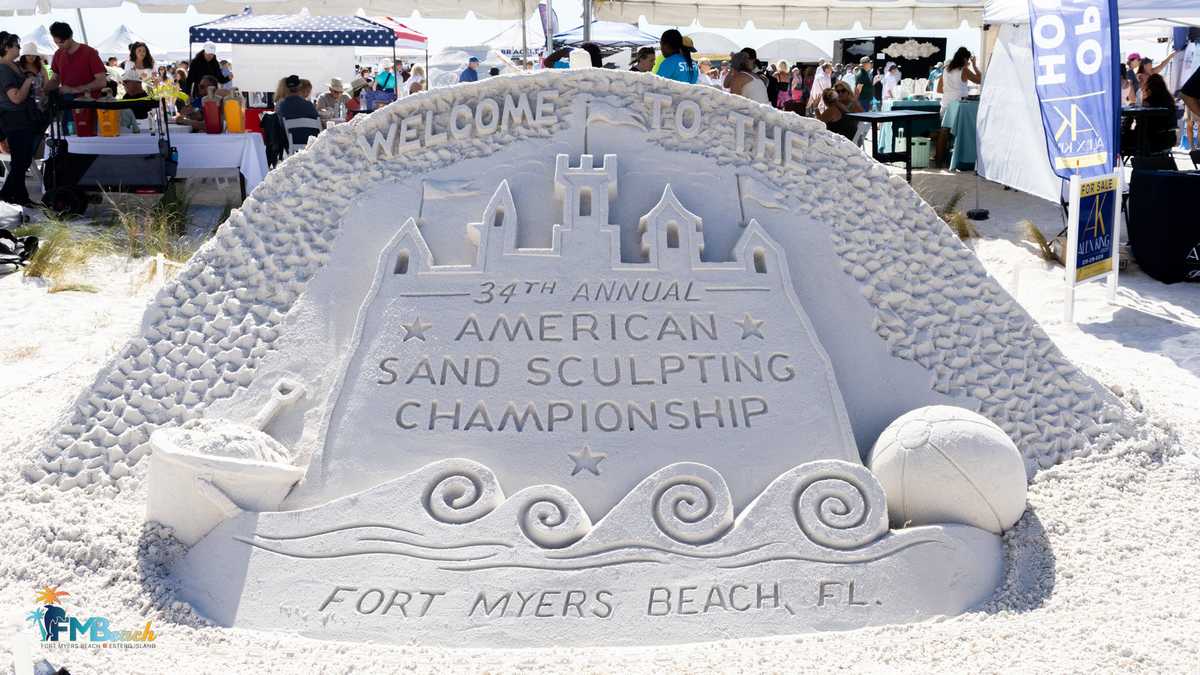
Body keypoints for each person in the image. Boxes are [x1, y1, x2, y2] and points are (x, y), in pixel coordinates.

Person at [0, 31, 45, 208]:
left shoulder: (13, 65)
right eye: (17, 45)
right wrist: (28, 80)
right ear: (6, 47)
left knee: (23, 159)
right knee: (21, 159)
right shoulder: (3, 69)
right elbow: (16, 98)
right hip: (14, 118)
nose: (19, 48)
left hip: (23, 117)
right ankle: (16, 196)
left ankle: (10, 194)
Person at [935, 47, 982, 164]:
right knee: (960, 133)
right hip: (959, 106)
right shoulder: (964, 70)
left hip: (946, 104)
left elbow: (939, 89)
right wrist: (974, 65)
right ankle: (959, 161)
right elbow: (980, 80)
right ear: (965, 59)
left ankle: (938, 161)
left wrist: (951, 90)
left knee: (944, 132)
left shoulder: (946, 69)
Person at [46, 22, 106, 99]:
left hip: (89, 102)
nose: (59, 46)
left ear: (70, 36)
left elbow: (101, 82)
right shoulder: (58, 54)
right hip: (67, 103)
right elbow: (55, 79)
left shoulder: (89, 52)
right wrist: (44, 90)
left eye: (62, 42)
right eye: (56, 43)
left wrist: (74, 90)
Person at [274, 74, 319, 146]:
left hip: (291, 142)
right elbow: (317, 121)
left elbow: (280, 126)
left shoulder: (281, 106)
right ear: (299, 87)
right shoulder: (309, 105)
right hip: (311, 143)